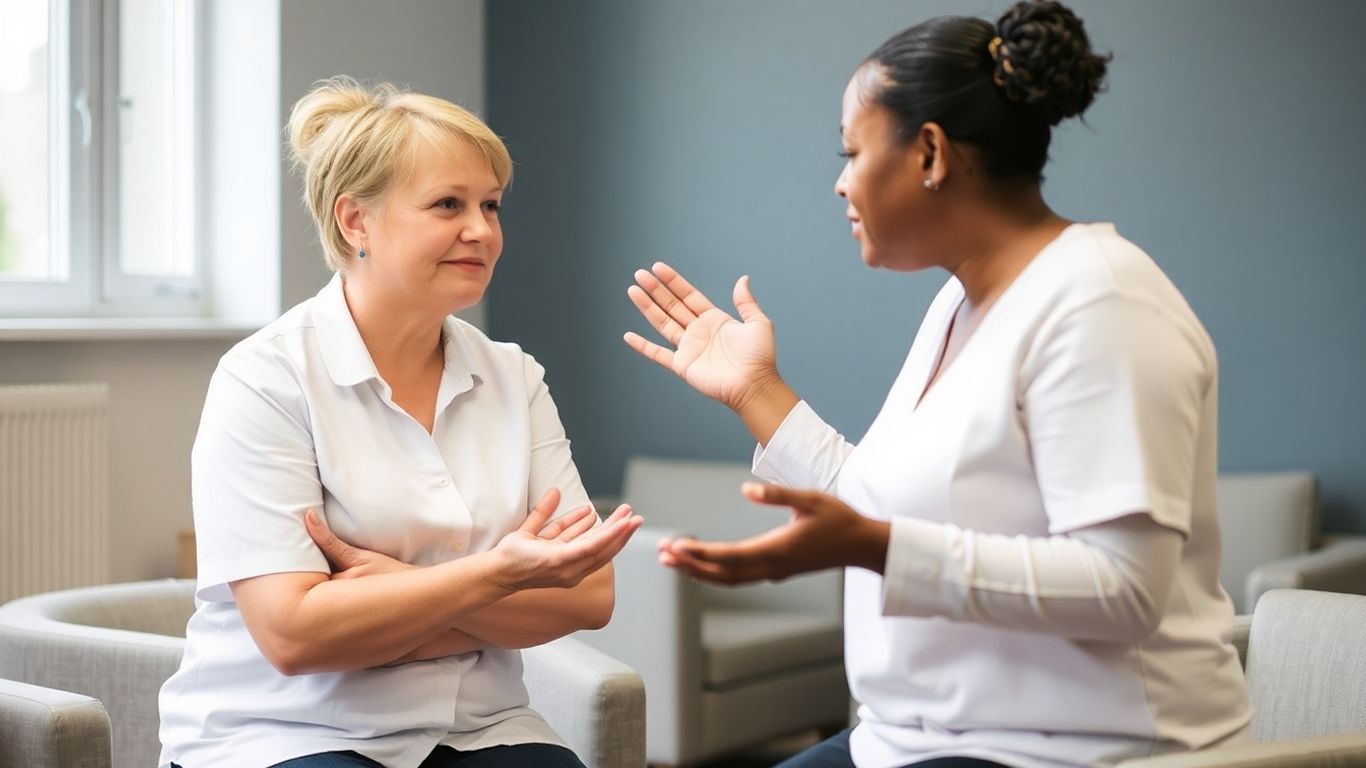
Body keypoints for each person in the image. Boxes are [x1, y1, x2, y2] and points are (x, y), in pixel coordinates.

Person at [623, 3, 1251, 767]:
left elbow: (1125, 588)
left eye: (851, 152)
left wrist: (879, 549)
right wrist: (756, 390)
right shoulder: (960, 302)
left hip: (1074, 754)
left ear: (930, 152)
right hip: (912, 742)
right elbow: (880, 502)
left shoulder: (1101, 300)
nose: (840, 183)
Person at [159, 77, 642, 768]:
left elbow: (589, 596)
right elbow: (294, 638)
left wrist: (387, 584)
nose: (481, 229)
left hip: (481, 725)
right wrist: (497, 578)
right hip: (284, 730)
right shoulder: (264, 378)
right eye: (448, 204)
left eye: (490, 205)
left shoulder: (514, 376)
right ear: (356, 222)